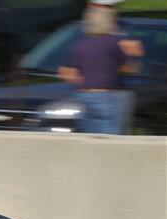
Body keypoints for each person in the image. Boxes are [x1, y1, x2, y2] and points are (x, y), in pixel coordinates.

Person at [58, 5, 143, 134]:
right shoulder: (114, 42)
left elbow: (72, 73)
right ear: (109, 22)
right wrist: (135, 56)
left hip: (83, 96)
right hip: (105, 96)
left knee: (89, 136)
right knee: (109, 138)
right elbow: (129, 68)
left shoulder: (80, 44)